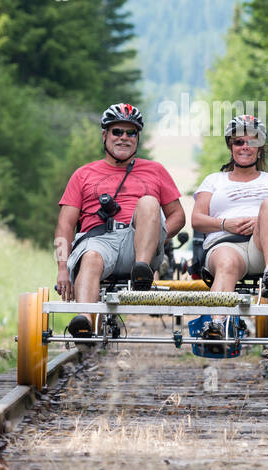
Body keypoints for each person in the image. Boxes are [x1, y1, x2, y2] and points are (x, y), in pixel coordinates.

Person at [55, 103, 186, 339]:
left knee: (148, 202)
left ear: (137, 138)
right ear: (105, 135)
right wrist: (62, 269)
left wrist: (156, 236)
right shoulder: (83, 174)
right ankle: (85, 321)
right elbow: (65, 225)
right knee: (91, 257)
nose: (124, 138)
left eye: (131, 133)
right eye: (117, 132)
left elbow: (178, 215)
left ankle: (142, 272)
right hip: (97, 240)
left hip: (138, 247)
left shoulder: (155, 170)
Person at [191, 115, 268, 339]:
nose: (245, 147)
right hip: (226, 245)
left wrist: (261, 221)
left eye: (252, 142)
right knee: (227, 262)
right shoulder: (214, 181)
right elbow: (197, 219)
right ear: (230, 147)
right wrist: (224, 223)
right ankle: (216, 325)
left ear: (260, 148)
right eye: (239, 142)